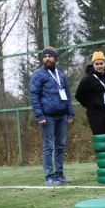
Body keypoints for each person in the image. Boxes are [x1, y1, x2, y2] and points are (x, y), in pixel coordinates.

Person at [29, 46, 74, 186]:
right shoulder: (38, 75)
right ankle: (49, 176)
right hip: (47, 117)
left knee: (60, 146)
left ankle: (59, 174)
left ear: (55, 58)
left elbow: (66, 94)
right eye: (45, 57)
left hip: (61, 116)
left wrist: (70, 112)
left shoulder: (60, 75)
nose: (47, 59)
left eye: (50, 56)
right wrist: (39, 115)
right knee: (48, 147)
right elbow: (34, 96)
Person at [75, 51, 105, 135]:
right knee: (102, 140)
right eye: (96, 64)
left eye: (101, 63)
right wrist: (91, 105)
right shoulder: (87, 79)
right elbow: (78, 95)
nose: (99, 66)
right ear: (93, 65)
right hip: (96, 115)